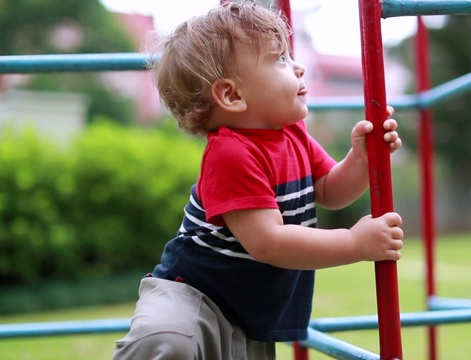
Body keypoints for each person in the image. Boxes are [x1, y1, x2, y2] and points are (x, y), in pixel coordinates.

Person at [112, 1, 404, 359]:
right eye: (279, 58)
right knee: (168, 343)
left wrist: (360, 158)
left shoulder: (291, 134)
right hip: (192, 298)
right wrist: (354, 243)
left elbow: (329, 189)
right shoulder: (230, 153)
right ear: (232, 95)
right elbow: (269, 242)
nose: (297, 67)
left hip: (246, 311)